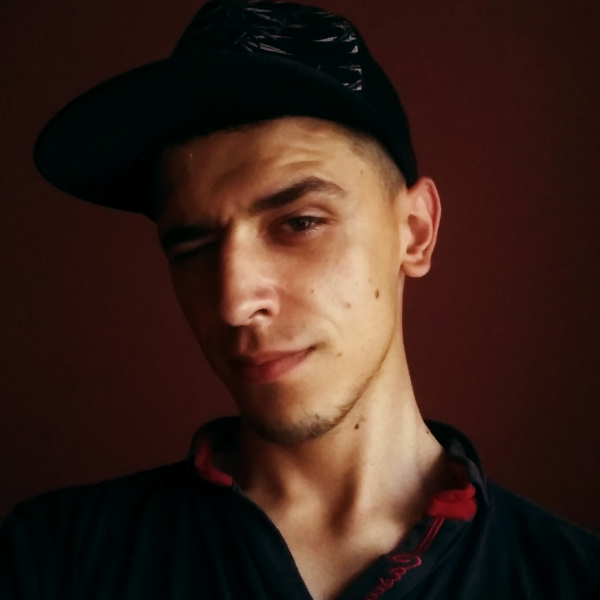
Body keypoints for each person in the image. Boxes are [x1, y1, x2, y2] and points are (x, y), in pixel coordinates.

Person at [1, 1, 599, 599]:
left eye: (300, 223)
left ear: (415, 231)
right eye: (193, 248)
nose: (234, 303)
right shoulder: (55, 561)